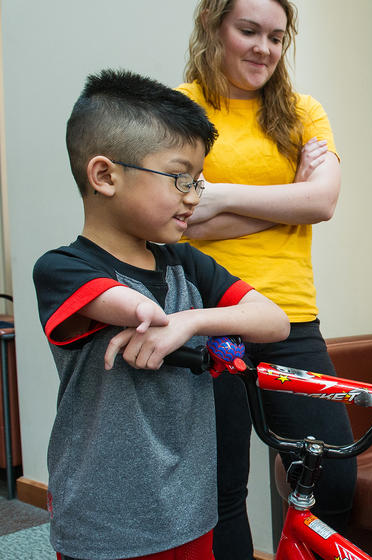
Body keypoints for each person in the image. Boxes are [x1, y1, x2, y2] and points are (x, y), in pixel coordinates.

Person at [32, 69, 290, 560]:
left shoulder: (187, 265)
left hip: (189, 509)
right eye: (180, 178)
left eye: (198, 180)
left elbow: (274, 320)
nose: (194, 195)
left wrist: (194, 321)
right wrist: (185, 319)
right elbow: (134, 308)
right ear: (105, 175)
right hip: (103, 520)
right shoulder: (62, 268)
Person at [177, 0, 354, 556]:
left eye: (276, 37)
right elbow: (177, 218)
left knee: (332, 476)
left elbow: (322, 202)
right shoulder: (178, 110)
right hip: (208, 315)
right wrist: (287, 201)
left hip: (289, 316)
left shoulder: (303, 112)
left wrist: (216, 195)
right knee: (224, 488)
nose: (263, 48)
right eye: (248, 30)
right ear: (213, 26)